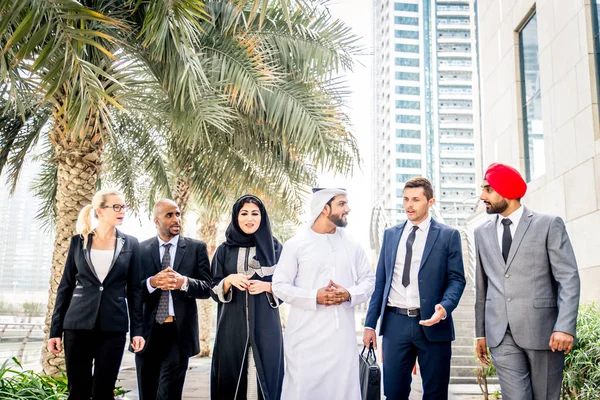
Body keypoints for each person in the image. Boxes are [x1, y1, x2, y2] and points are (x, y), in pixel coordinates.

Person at [474, 163, 580, 400]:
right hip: (501, 334)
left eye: (488, 189)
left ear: (507, 192)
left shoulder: (548, 224)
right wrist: (480, 332)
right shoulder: (481, 232)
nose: (482, 196)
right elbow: (482, 286)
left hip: (543, 332)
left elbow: (568, 278)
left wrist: (564, 326)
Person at [363, 177, 466, 400]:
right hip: (395, 324)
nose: (409, 205)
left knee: (436, 394)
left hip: (433, 323)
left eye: (416, 200)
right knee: (393, 393)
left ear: (430, 202)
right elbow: (380, 283)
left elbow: (457, 279)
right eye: (406, 199)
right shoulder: (390, 235)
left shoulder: (449, 236)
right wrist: (370, 324)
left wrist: (444, 307)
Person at [272, 188, 375, 400]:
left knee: (342, 392)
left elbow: (368, 280)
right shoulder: (296, 245)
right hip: (304, 339)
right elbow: (279, 285)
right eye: (342, 204)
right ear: (324, 208)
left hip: (342, 341)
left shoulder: (352, 245)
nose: (348, 208)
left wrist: (348, 293)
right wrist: (314, 297)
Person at [48, 188, 145, 400]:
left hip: (114, 327)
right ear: (100, 211)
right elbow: (65, 287)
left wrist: (137, 331)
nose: (122, 211)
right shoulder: (78, 242)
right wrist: (55, 331)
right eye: (116, 207)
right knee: (78, 391)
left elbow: (135, 291)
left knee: (104, 390)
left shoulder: (131, 244)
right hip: (77, 324)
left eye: (123, 207)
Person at [135, 199, 213, 400]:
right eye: (169, 215)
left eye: (178, 214)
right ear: (156, 220)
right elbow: (132, 291)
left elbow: (208, 288)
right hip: (147, 332)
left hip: (179, 333)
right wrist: (152, 282)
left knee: (169, 393)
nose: (176, 219)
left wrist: (184, 283)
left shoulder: (196, 248)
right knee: (147, 392)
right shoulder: (140, 250)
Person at [210, 194, 284, 400]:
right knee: (231, 379)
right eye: (244, 213)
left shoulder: (276, 248)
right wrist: (228, 281)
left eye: (255, 213)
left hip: (266, 328)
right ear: (236, 217)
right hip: (231, 328)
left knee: (264, 381)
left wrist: (267, 286)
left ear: (262, 217)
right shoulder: (224, 251)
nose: (249, 219)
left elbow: (288, 288)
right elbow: (212, 287)